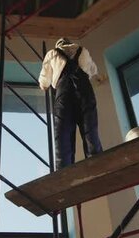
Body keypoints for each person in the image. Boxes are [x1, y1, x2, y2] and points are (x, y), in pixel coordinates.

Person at [39, 38, 103, 170]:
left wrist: (45, 85)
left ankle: (64, 173)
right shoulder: (83, 50)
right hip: (85, 91)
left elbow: (44, 82)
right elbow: (93, 70)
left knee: (63, 134)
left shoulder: (52, 53)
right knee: (90, 130)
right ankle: (97, 167)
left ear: (58, 45)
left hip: (64, 93)